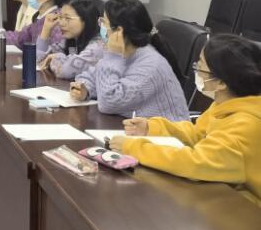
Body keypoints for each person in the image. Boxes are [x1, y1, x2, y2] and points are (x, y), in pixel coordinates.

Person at [110, 34, 261, 205]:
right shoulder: (227, 104)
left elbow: (197, 162)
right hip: (227, 192)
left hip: (249, 210)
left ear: (221, 82)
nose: (196, 71)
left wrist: (134, 148)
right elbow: (198, 134)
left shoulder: (246, 123)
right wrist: (152, 128)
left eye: (200, 67)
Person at [70, 0, 188, 121]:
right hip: (132, 127)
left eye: (103, 22)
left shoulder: (150, 64)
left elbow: (108, 103)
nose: (101, 27)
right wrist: (86, 88)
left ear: (118, 31)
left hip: (165, 132)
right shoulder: (125, 52)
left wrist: (112, 56)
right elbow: (91, 76)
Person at [38, 0, 106, 79]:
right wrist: (46, 30)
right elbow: (39, 61)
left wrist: (58, 57)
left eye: (67, 18)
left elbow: (66, 71)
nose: (61, 23)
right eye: (60, 17)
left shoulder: (98, 46)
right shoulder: (71, 40)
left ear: (86, 20)